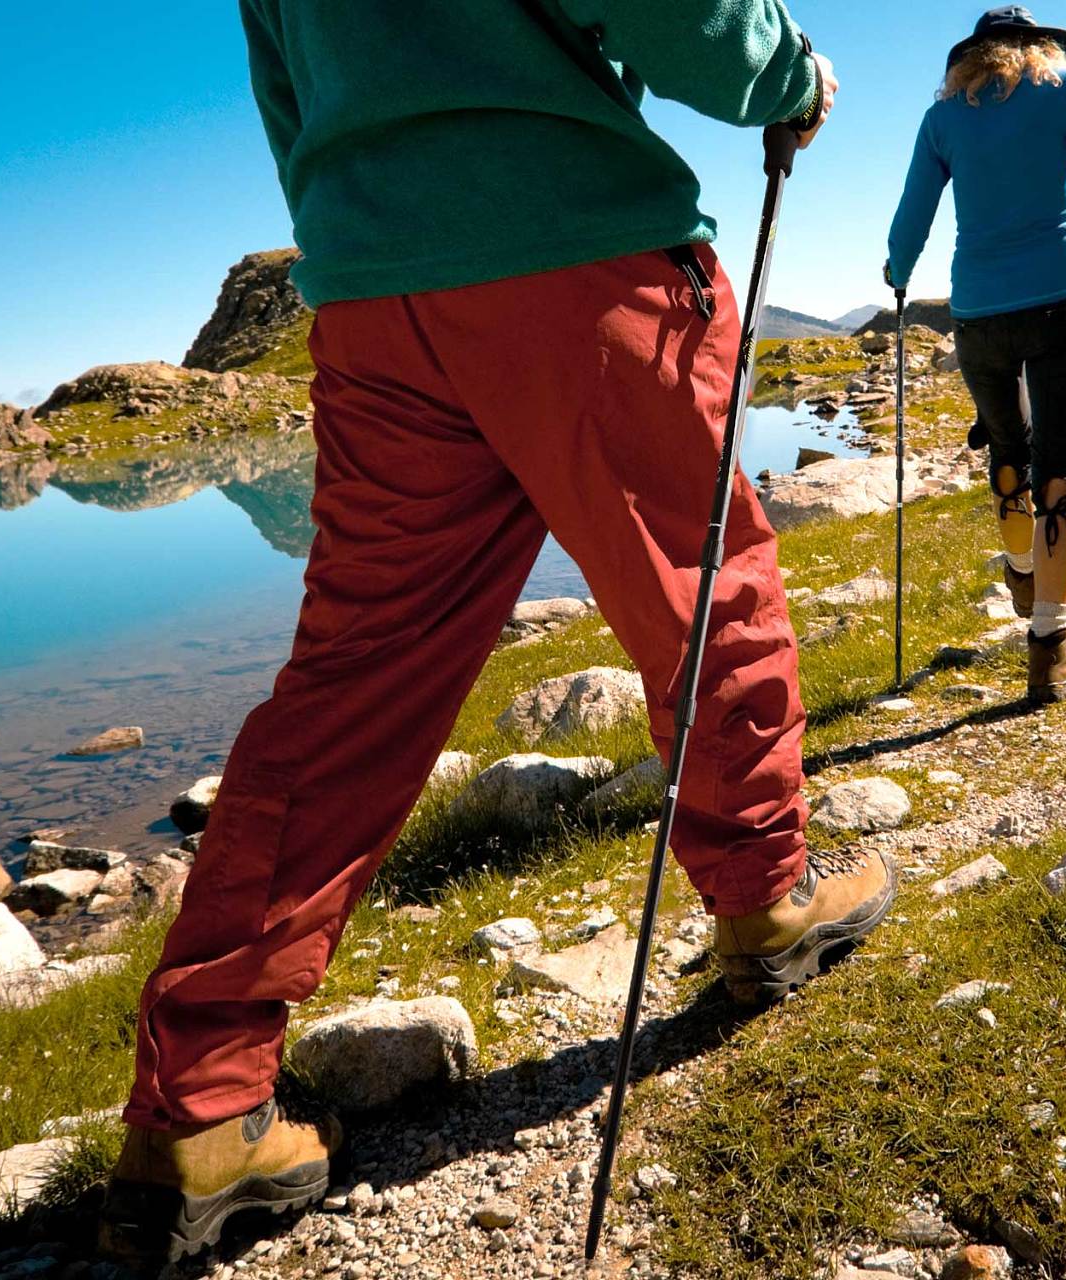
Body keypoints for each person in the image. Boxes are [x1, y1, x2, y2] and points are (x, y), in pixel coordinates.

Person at [99, 1, 896, 1263]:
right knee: (700, 591)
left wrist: (365, 226)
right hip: (581, 254)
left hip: (375, 298)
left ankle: (200, 1101)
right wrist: (781, 73)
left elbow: (284, 91)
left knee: (346, 689)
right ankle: (764, 898)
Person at [884, 5, 1066, 705]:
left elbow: (912, 214)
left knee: (1008, 454)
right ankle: (1051, 652)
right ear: (1040, 43)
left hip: (977, 315)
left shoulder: (944, 114)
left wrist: (897, 271)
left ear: (974, 53)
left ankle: (1020, 568)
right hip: (1060, 305)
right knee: (1061, 468)